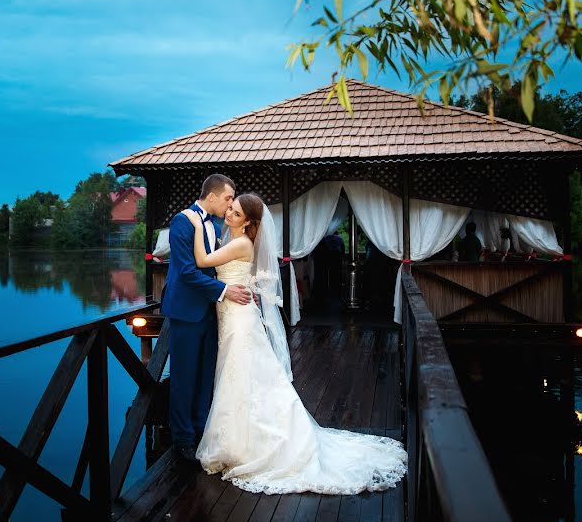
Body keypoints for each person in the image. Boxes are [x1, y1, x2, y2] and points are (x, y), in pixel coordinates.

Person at [180, 193, 406, 495]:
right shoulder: (231, 239)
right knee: (241, 377)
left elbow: (203, 261)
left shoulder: (242, 242)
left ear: (248, 221)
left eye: (235, 213)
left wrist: (195, 224)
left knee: (239, 376)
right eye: (229, 209)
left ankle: (246, 443)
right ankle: (236, 437)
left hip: (238, 320)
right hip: (231, 314)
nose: (228, 215)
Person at [161, 174, 253, 462]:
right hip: (186, 312)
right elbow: (188, 272)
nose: (229, 206)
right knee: (183, 377)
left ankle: (202, 430)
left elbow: (219, 265)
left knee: (205, 375)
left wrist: (244, 287)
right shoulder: (182, 221)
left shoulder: (213, 226)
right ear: (211, 196)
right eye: (227, 199)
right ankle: (183, 440)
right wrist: (225, 290)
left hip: (211, 312)